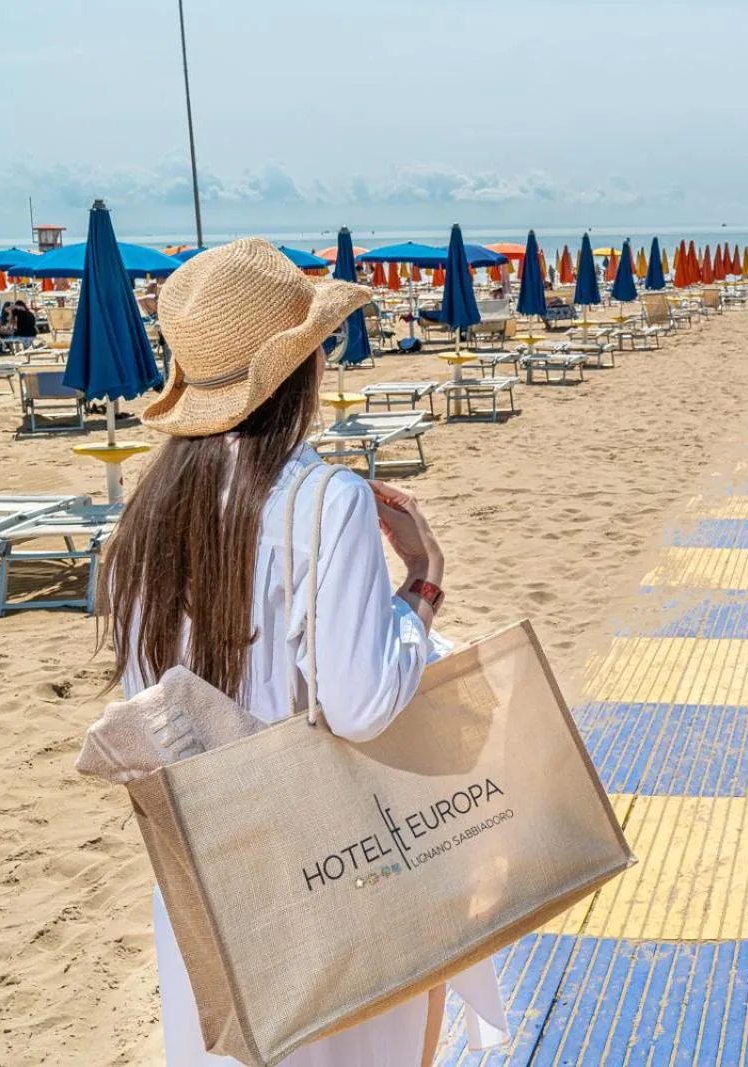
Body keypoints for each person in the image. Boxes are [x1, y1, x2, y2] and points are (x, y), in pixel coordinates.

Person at [99, 240, 507, 1066]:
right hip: (328, 858)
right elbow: (360, 704)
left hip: (214, 866)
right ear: (302, 368)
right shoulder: (323, 500)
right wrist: (423, 583)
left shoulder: (147, 517)